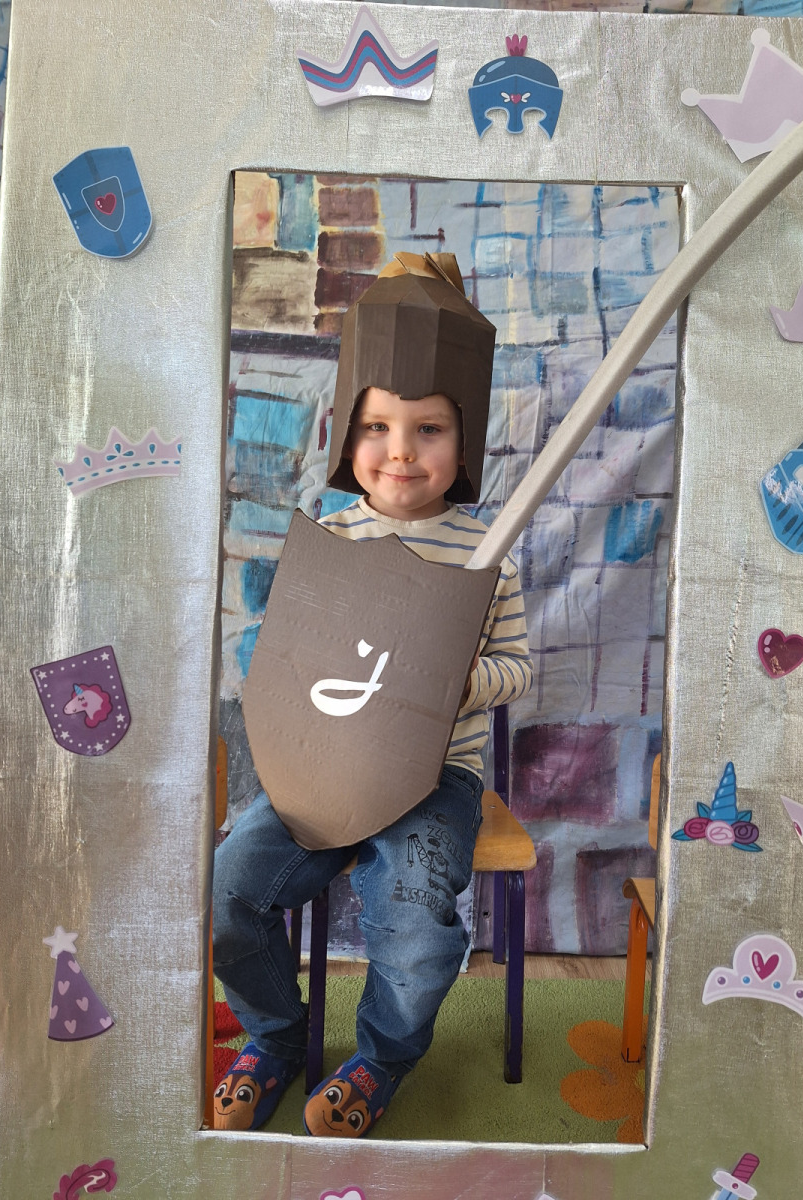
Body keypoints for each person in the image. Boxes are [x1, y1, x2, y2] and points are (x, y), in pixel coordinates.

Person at [212, 252, 533, 1137]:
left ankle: (382, 1059)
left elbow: (517, 667)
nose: (401, 452)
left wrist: (459, 680)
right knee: (228, 890)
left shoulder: (487, 554)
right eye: (379, 427)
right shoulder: (327, 535)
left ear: (464, 441)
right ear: (346, 437)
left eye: (429, 429)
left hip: (435, 778)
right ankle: (276, 1037)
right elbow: (287, 657)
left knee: (418, 926)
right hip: (323, 762)